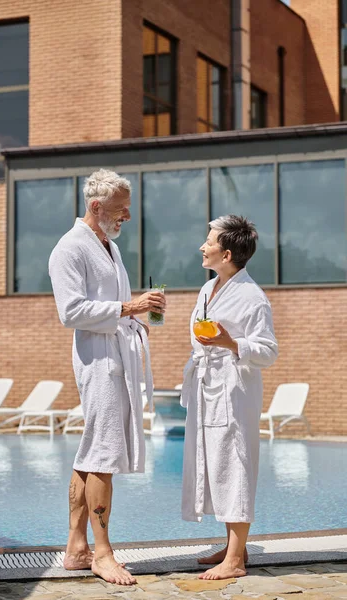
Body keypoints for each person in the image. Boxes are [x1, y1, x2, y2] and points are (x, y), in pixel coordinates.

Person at [48, 169, 166, 586]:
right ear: (96, 207)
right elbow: (71, 312)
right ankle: (103, 553)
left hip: (116, 356)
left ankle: (76, 548)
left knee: (89, 455)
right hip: (98, 365)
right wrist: (129, 308)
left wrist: (136, 322)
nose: (127, 216)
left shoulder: (108, 248)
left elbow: (111, 307)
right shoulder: (70, 249)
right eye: (121, 209)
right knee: (103, 456)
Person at [181, 215, 278, 581]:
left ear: (225, 253)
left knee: (235, 465)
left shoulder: (253, 298)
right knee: (217, 465)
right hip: (207, 387)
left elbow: (269, 351)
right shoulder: (209, 289)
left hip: (234, 392)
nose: (202, 246)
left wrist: (230, 342)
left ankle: (235, 561)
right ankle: (234, 548)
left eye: (208, 242)